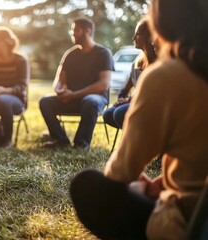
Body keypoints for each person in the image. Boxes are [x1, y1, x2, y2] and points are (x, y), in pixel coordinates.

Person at [70, 0, 208, 239]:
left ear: (161, 22)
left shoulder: (168, 75)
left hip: (191, 222)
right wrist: (166, 180)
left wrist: (141, 184)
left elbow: (120, 172)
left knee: (86, 185)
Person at [39, 17, 114, 150]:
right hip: (71, 99)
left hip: (95, 100)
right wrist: (59, 90)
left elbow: (104, 85)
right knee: (45, 101)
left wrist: (75, 95)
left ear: (88, 31)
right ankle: (60, 140)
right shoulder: (70, 54)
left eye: (76, 30)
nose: (73, 33)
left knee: (90, 100)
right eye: (72, 30)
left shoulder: (103, 53)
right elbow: (58, 80)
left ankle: (81, 144)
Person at [103, 18, 156, 129]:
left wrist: (129, 100)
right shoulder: (137, 62)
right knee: (108, 114)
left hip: (150, 104)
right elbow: (126, 88)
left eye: (137, 34)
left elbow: (151, 94)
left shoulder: (157, 62)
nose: (133, 38)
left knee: (119, 113)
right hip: (136, 101)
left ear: (148, 36)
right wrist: (121, 99)